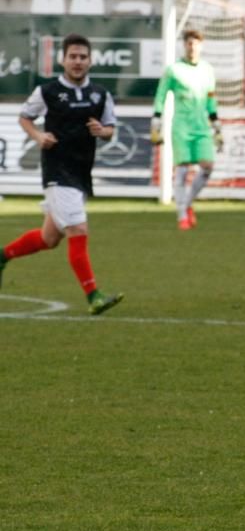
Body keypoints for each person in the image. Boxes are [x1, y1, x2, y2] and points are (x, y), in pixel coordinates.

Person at [0, 34, 123, 316]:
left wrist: (101, 132)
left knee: (49, 239)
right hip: (57, 171)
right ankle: (94, 296)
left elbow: (109, 129)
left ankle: (2, 255)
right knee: (78, 230)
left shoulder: (101, 94)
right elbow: (24, 117)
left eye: (82, 57)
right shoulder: (48, 92)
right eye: (73, 56)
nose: (78, 62)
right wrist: (38, 136)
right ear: (62, 60)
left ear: (91, 61)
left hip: (81, 173)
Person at [151, 29, 222, 231]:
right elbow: (161, 95)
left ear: (201, 45)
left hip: (201, 127)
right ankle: (182, 215)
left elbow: (210, 99)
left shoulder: (207, 69)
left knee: (207, 166)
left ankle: (187, 203)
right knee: (181, 170)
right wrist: (156, 120)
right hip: (181, 126)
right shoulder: (174, 70)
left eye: (196, 43)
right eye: (189, 43)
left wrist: (216, 124)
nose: (192, 47)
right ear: (184, 45)